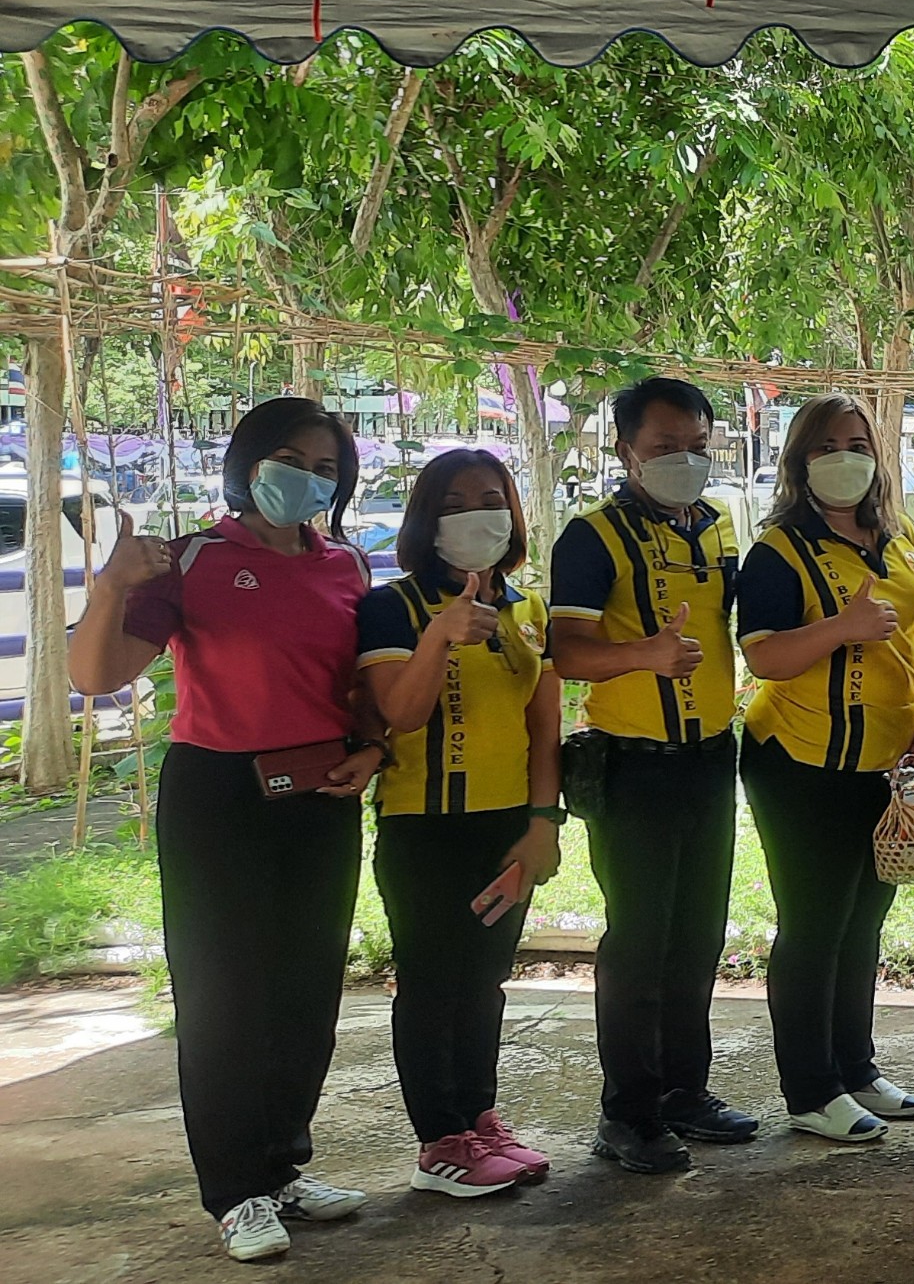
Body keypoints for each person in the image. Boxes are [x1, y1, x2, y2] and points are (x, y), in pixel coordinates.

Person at [71, 397, 385, 1263]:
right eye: (292, 460)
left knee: (306, 992)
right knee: (223, 997)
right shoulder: (191, 559)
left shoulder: (347, 564)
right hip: (218, 795)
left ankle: (281, 1168)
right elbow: (96, 673)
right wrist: (111, 586)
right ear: (247, 463)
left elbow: (358, 684)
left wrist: (371, 748)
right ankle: (236, 1190)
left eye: (326, 469)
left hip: (320, 789)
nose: (307, 479)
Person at [548, 376, 754, 1174]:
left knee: (698, 933)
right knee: (638, 941)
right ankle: (626, 1113)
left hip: (710, 756)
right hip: (632, 764)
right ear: (626, 450)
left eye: (697, 445)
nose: (684, 459)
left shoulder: (717, 525)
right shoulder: (591, 537)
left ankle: (682, 1091)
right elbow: (567, 652)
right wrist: (645, 654)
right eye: (666, 446)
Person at [735, 395, 914, 1144]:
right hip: (801, 763)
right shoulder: (779, 550)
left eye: (857, 443)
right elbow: (764, 656)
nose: (844, 457)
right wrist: (842, 628)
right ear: (800, 461)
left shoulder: (902, 537)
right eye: (825, 445)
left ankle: (856, 1070)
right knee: (814, 924)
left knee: (864, 921)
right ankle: (810, 1089)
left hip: (887, 765)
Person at [353, 448, 563, 1199]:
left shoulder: (528, 610)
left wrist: (544, 823)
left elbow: (545, 727)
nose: (476, 515)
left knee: (483, 981)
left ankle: (479, 1117)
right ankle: (440, 1142)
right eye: (454, 503)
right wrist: (440, 635)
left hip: (507, 828)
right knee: (433, 981)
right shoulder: (392, 607)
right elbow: (400, 713)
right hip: (425, 827)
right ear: (426, 520)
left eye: (491, 499)